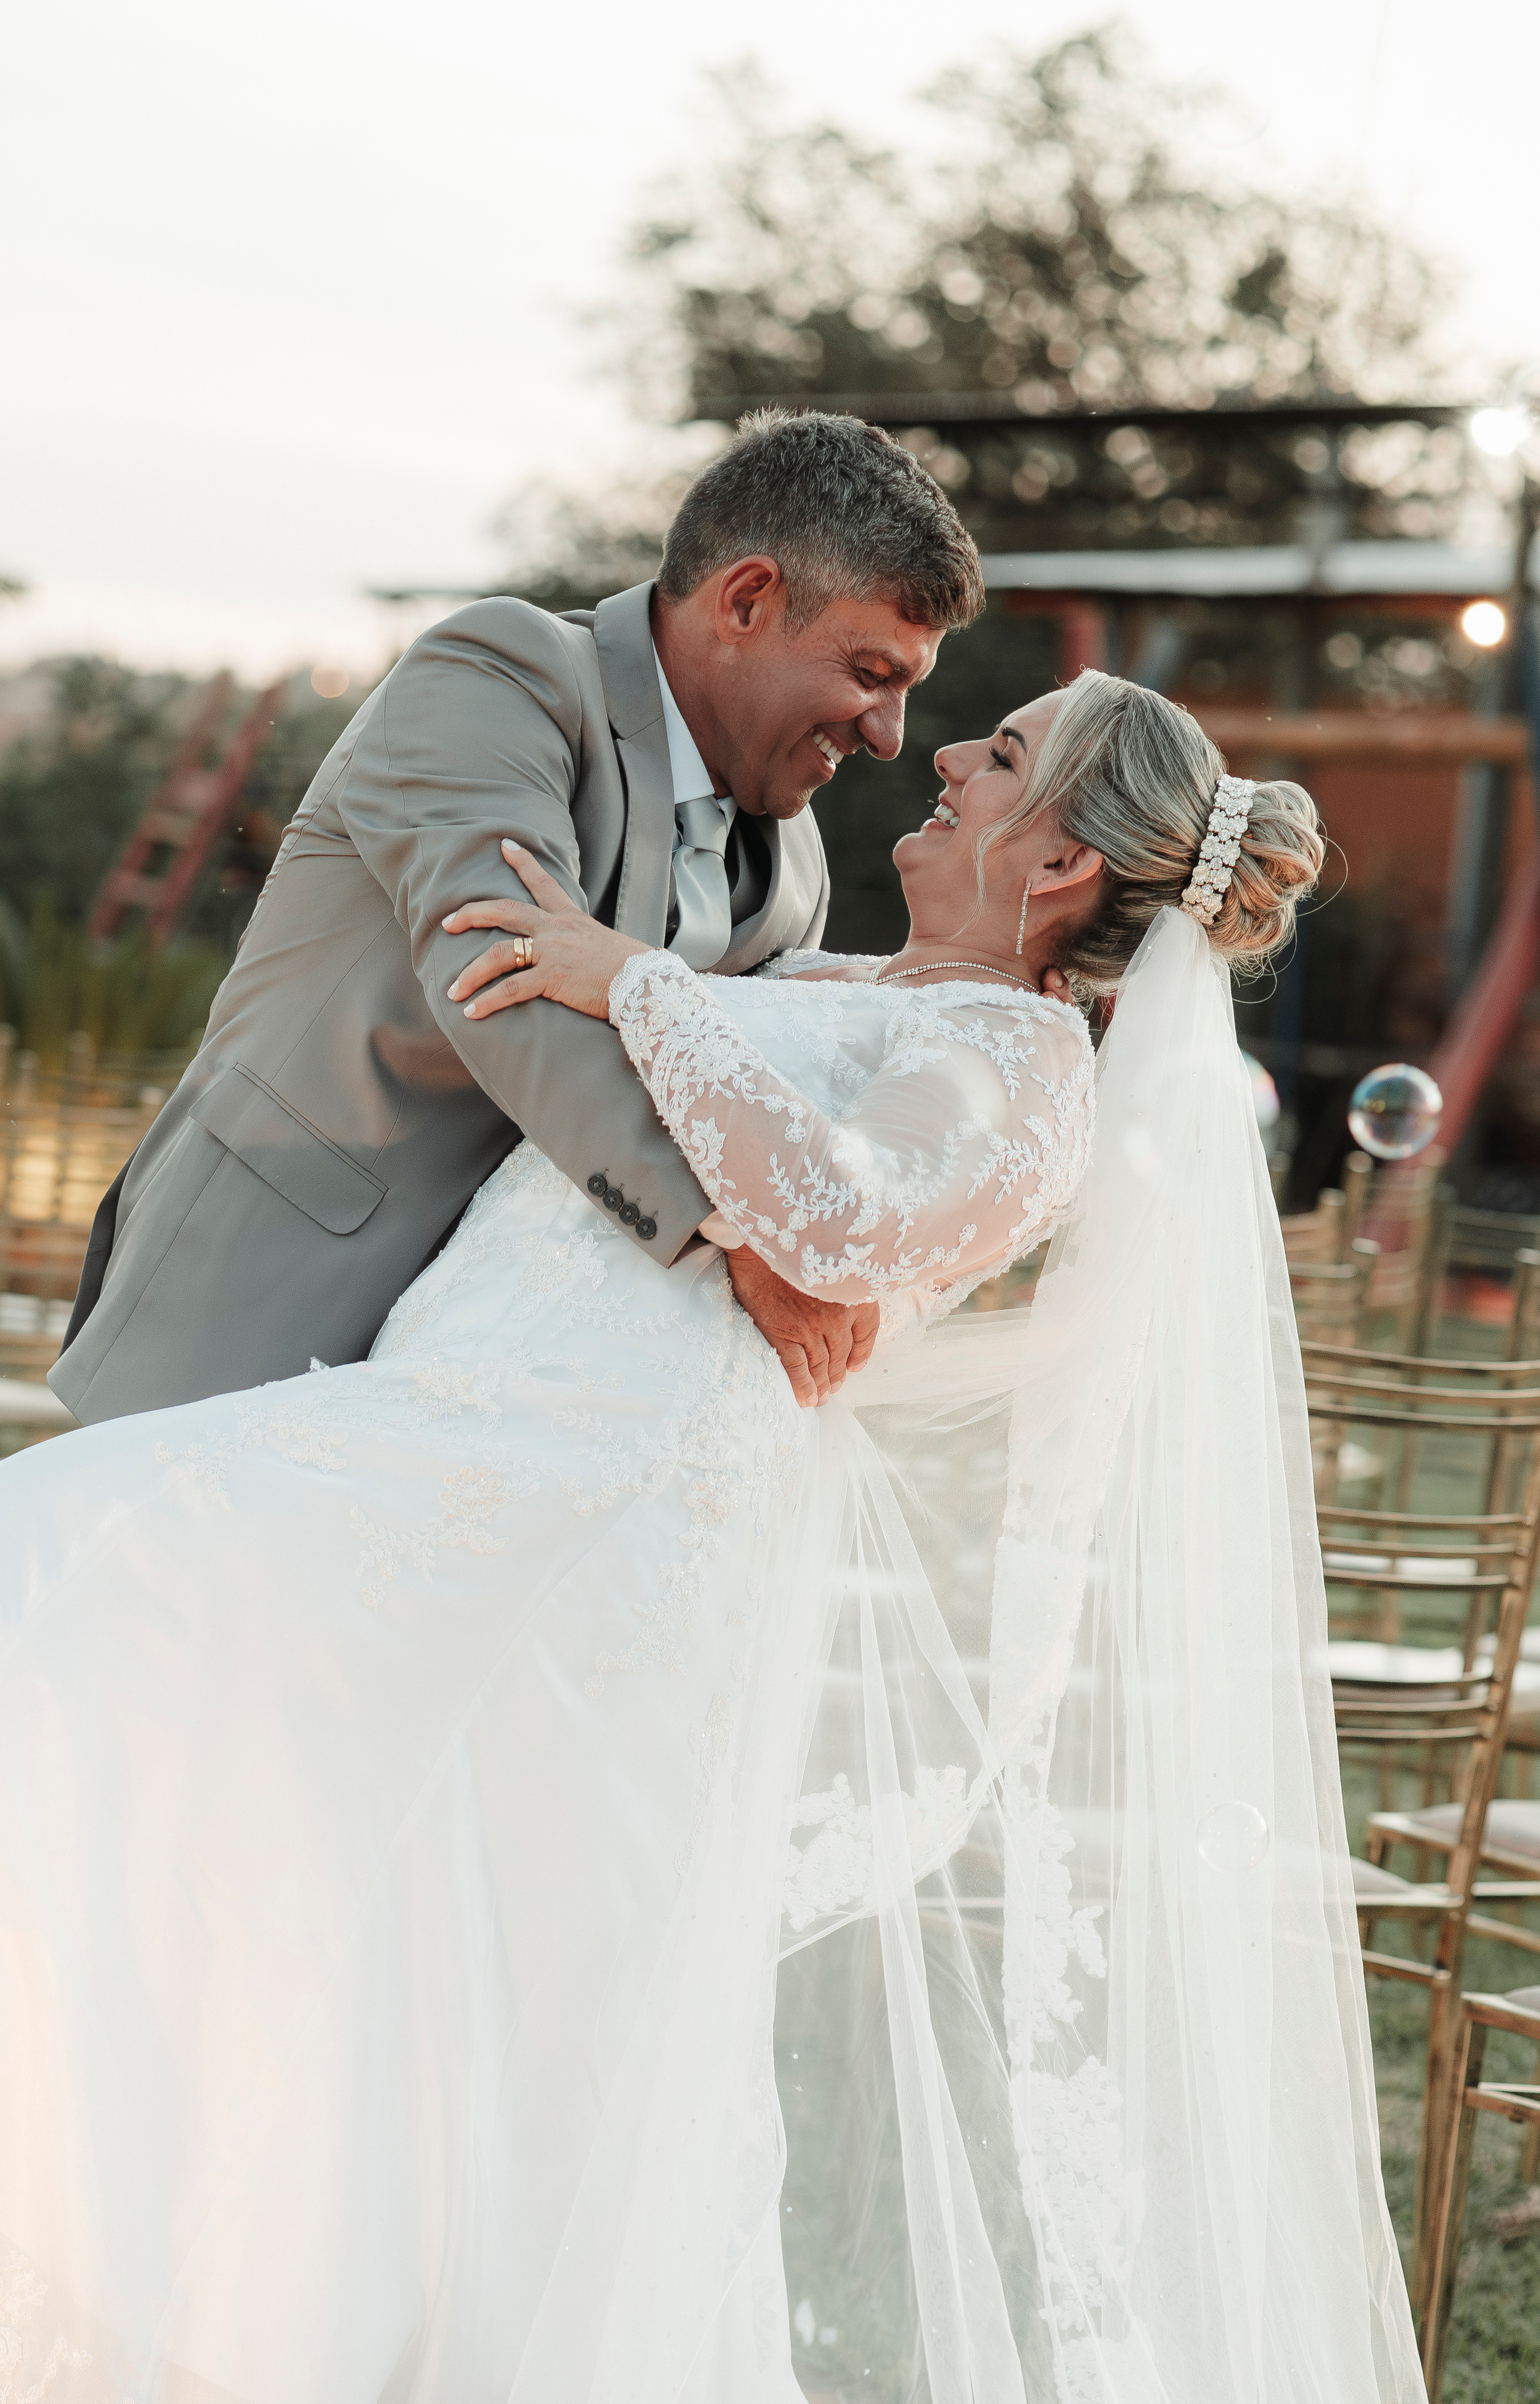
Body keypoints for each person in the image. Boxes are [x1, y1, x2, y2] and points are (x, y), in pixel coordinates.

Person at [0, 672, 1426, 2404]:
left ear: (1058, 862)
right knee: (324, 1901)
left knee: (91, 1598)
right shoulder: (825, 977)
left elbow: (848, 1215)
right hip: (459, 1432)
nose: (943, 756)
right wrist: (666, 999)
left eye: (998, 755)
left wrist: (635, 983)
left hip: (598, 1511)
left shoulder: (1022, 1056)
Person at [47, 407, 983, 1425]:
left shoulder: (792, 860)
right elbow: (504, 982)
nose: (890, 736)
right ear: (748, 600)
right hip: (270, 1293)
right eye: (870, 672)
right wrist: (742, 1232)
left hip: (512, 1380)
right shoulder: (502, 676)